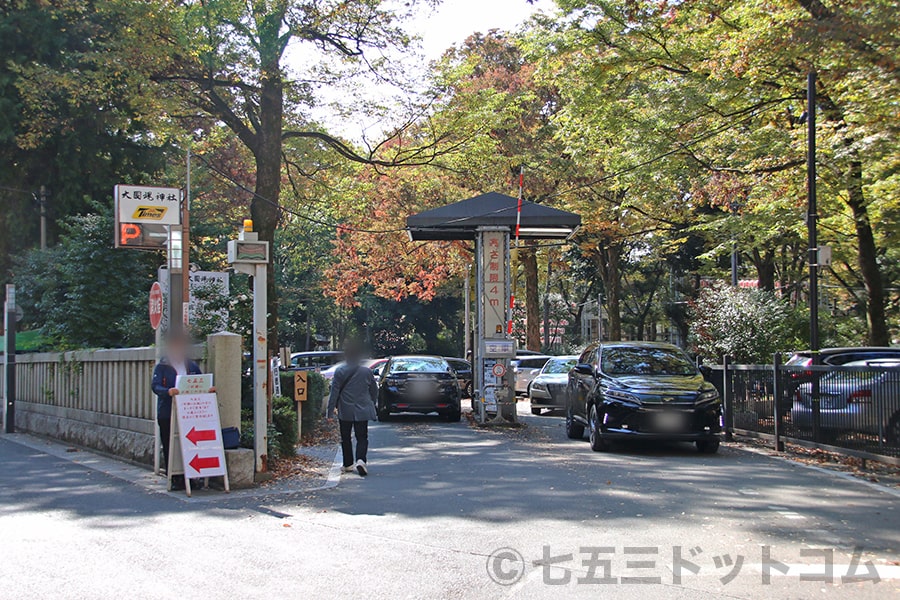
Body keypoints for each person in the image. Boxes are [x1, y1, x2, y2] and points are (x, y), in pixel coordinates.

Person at [150, 331, 214, 487]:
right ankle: (174, 477)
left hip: (189, 412)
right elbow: (155, 386)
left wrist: (208, 389)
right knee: (169, 444)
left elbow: (199, 381)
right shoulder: (162, 366)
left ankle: (192, 476)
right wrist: (168, 391)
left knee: (190, 444)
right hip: (168, 411)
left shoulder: (190, 365)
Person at [327, 341, 378, 476]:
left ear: (346, 356)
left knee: (346, 437)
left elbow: (334, 393)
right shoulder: (367, 372)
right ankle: (361, 460)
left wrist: (329, 412)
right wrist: (372, 402)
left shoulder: (340, 371)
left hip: (345, 409)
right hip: (363, 408)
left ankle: (348, 464)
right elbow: (374, 389)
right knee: (362, 436)